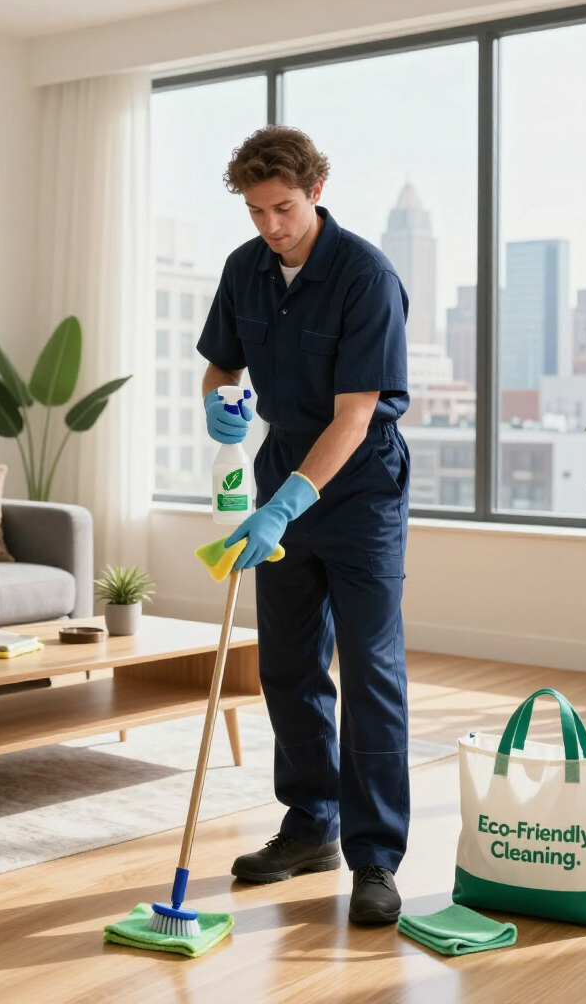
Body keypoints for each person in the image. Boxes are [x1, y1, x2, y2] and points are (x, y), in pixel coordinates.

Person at [197, 126, 411, 925]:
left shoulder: (365, 276)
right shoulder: (244, 269)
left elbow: (356, 416)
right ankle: (310, 825)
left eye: (282, 208)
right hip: (281, 461)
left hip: (358, 486)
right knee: (286, 664)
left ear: (315, 189)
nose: (271, 227)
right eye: (256, 212)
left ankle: (377, 856)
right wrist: (220, 403)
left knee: (370, 671)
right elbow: (223, 364)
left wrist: (287, 504)